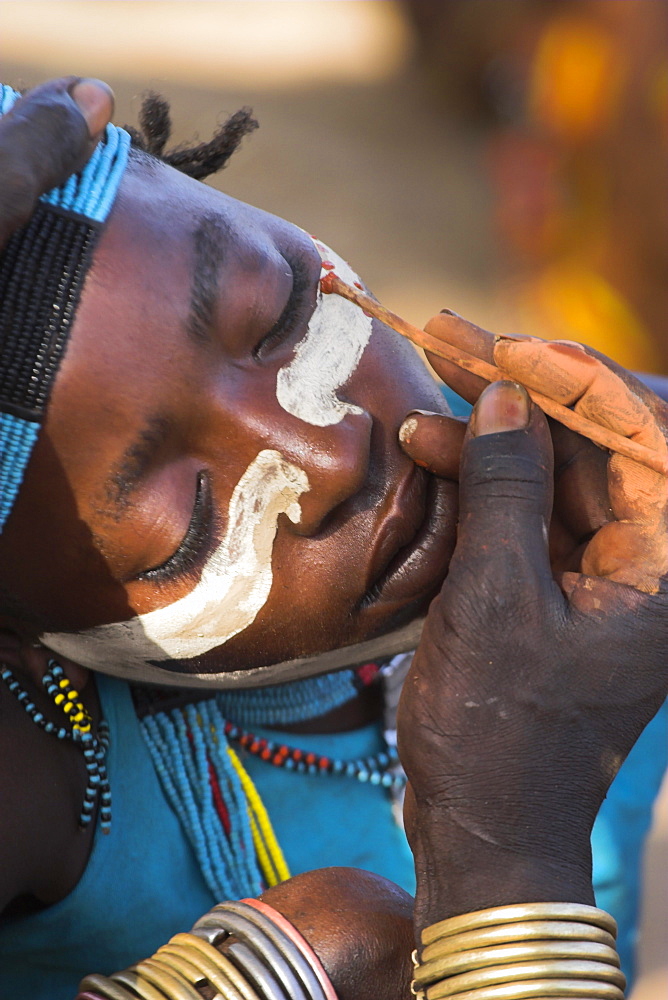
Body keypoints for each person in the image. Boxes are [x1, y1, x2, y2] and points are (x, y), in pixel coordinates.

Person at [0, 77, 666, 1000]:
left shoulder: (612, 488)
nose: (324, 456)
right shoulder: (38, 777)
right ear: (30, 644)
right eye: (192, 524)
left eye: (278, 319)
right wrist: (504, 858)